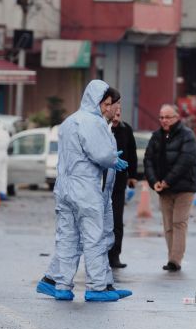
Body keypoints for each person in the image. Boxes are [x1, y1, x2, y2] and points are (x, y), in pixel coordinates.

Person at [36, 81, 131, 302]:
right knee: (95, 238)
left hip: (65, 188)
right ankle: (98, 288)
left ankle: (61, 286)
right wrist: (113, 158)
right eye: (106, 103)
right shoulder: (92, 122)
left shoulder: (70, 121)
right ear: (97, 100)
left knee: (68, 238)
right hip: (85, 188)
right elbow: (102, 155)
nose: (109, 108)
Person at [144, 104, 196, 272]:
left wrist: (167, 180)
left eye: (168, 117)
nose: (164, 120)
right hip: (163, 189)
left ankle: (175, 260)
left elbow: (186, 161)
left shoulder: (187, 135)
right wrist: (154, 181)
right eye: (161, 117)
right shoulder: (156, 136)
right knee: (168, 225)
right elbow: (148, 161)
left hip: (184, 187)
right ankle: (171, 258)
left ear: (177, 118)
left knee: (178, 223)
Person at [108, 101, 138, 269]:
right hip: (102, 183)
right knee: (101, 222)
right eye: (115, 110)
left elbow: (132, 153)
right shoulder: (103, 129)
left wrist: (132, 176)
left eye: (120, 110)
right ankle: (100, 256)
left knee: (117, 221)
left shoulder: (126, 130)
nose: (117, 113)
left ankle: (115, 256)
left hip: (119, 183)